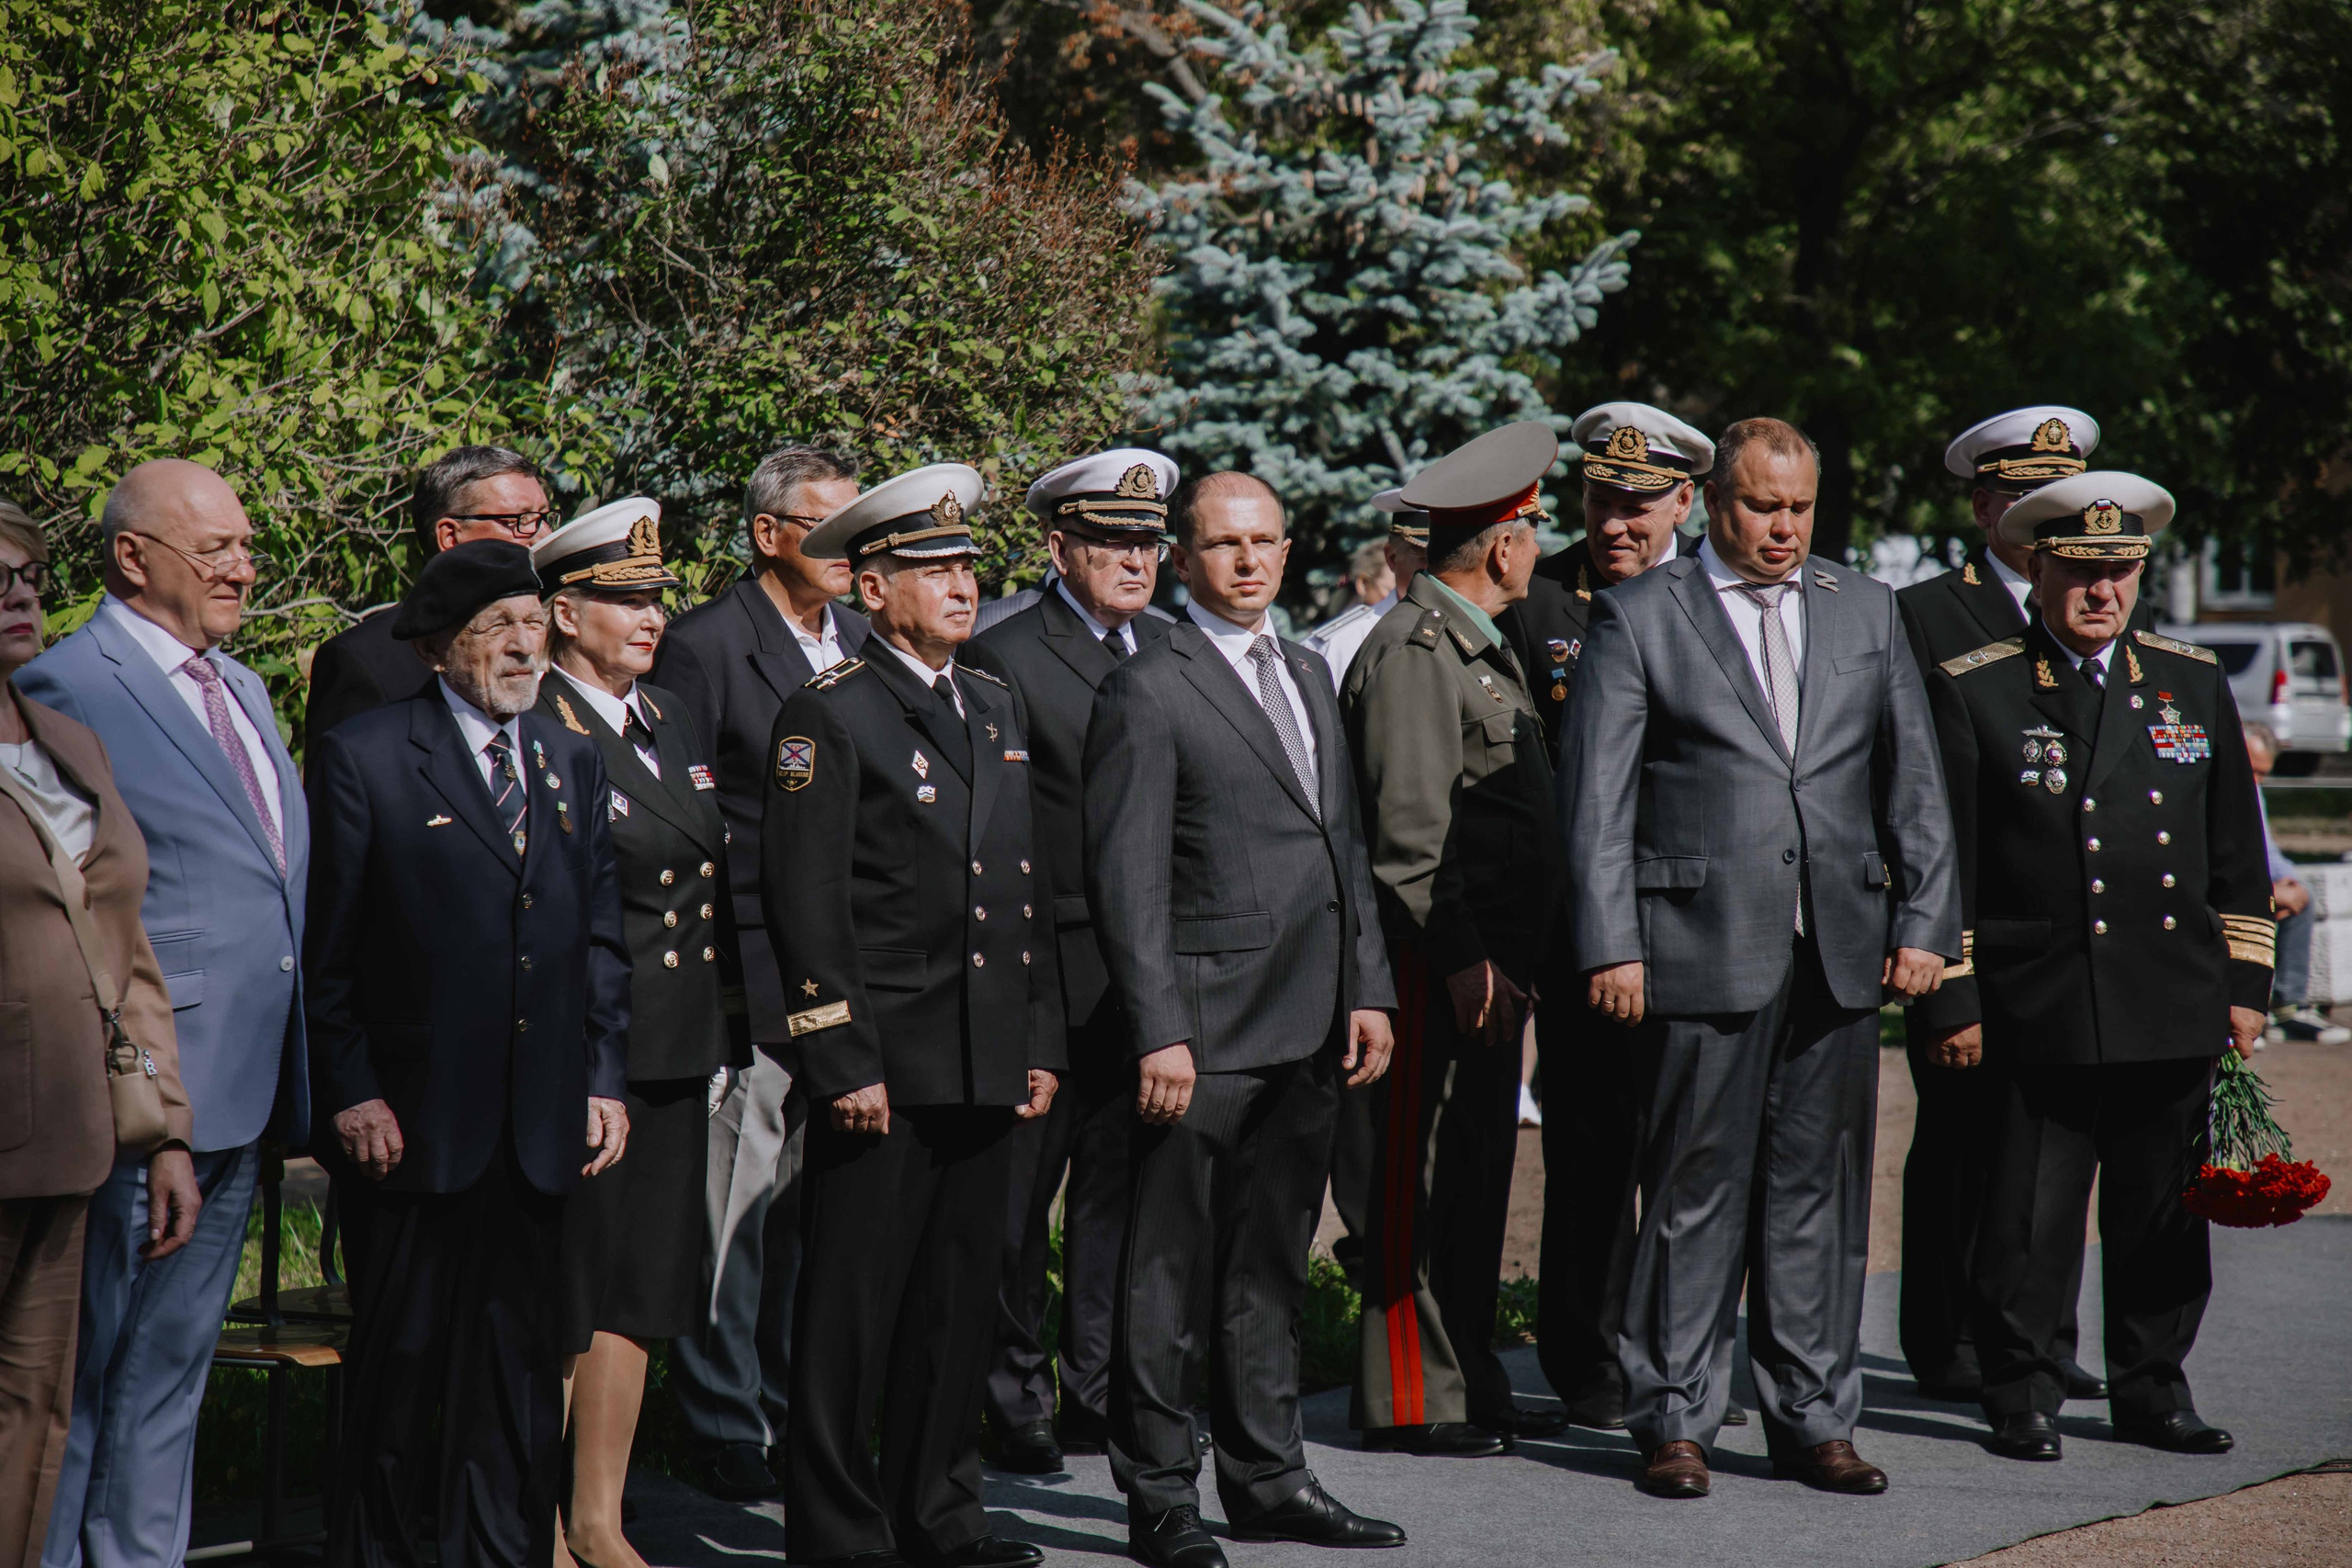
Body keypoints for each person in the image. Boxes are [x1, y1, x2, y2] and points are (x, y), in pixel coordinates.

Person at [1559, 417, 1960, 1501]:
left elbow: (1911, 782)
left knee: (1818, 1195)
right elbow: (1596, 800)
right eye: (1759, 507)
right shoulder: (1639, 615)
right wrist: (1610, 942)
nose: (1782, 529)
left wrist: (1926, 926)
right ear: (1712, 501)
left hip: (1838, 948)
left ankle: (1813, 1419)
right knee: (1691, 1190)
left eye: (1798, 509)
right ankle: (1675, 1419)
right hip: (1693, 945)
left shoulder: (1864, 610)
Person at [1911, 471, 2272, 1462]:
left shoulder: (2189, 680)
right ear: (2037, 568)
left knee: (2162, 1215)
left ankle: (2151, 1389)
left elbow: (2236, 851)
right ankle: (2019, 1390)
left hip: (2170, 997)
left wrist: (2244, 987)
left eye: (2117, 571)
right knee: (2028, 1218)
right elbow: (1945, 860)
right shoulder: (1978, 685)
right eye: (2078, 570)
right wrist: (1952, 996)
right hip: (2041, 1001)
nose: (2100, 591)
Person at [1086, 471, 1403, 1568]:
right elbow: (1126, 880)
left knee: (1268, 1265)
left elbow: (1341, 848)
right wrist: (1156, 1028)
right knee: (1165, 1278)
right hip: (1203, 1035)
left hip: (1313, 1022)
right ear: (1184, 560)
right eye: (1224, 545)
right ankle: (1161, 1497)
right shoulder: (1150, 684)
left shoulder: (1309, 670)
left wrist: (1369, 985)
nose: (1250, 561)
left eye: (1264, 540)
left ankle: (1268, 1478)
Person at [305, 541, 630, 1568]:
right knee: (405, 1373)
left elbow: (601, 941)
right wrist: (351, 1090)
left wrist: (603, 1077)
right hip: (414, 1127)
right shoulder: (365, 754)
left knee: (520, 1374)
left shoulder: (570, 757)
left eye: (534, 625)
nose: (524, 647)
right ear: (443, 647)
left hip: (539, 1128)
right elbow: (327, 952)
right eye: (497, 629)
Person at [764, 463, 1060, 1568]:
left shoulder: (989, 701)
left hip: (984, 1051)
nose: (960, 584)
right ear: (871, 588)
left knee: (955, 1306)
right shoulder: (829, 713)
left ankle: (939, 1513)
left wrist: (1034, 1041)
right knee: (852, 1310)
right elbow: (807, 901)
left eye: (966, 564)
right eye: (930, 568)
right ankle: (841, 1532)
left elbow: (1016, 887)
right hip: (885, 1059)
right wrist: (841, 1058)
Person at [17, 460, 311, 1568]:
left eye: (245, 544)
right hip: (141, 1089)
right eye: (216, 550)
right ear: (133, 559)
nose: (241, 566)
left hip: (248, 1079)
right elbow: (75, 912)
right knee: (86, 1372)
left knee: (172, 1370)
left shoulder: (241, 685)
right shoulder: (65, 687)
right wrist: (142, 1085)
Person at [529, 502, 751, 1567]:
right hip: (584, 1056)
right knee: (565, 1294)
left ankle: (599, 1518)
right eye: (621, 599)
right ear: (563, 612)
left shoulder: (666, 716)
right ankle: (534, 1525)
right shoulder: (537, 724)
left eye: (655, 597)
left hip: (674, 1050)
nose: (647, 616)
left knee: (638, 1294)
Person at [1340, 423, 1566, 1457]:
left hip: (1484, 965)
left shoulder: (1477, 649)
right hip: (1430, 962)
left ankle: (1464, 1372)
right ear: (1504, 546)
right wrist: (1467, 953)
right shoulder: (1417, 653)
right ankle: (1406, 1395)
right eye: (1532, 528)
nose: (1538, 546)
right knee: (1413, 1178)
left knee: (1470, 1177)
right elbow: (1409, 837)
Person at [650, 446, 869, 1500]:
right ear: (768, 533)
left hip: (849, 978)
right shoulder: (703, 647)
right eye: (826, 525)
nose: (849, 548)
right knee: (734, 1201)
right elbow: (692, 823)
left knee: (809, 1217)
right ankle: (722, 1416)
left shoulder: (863, 639)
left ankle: (791, 1407)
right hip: (749, 972)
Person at [962, 449, 1179, 1474]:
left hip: (1140, 974)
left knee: (1116, 1194)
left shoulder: (1173, 650)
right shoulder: (1005, 652)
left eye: (1147, 541)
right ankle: (1010, 1400)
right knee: (1016, 1202)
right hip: (1042, 963)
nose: (1135, 559)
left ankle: (1093, 1389)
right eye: (1111, 540)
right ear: (1060, 546)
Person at [1497, 400, 1712, 1431]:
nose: (1616, 523)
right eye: (1599, 502)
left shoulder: (1719, 601)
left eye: (1638, 505)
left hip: (1707, 927)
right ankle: (1584, 1360)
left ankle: (1682, 1356)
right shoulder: (1538, 604)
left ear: (1685, 501)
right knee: (1590, 1157)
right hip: (1583, 934)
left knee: (1694, 1154)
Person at [1895, 407, 2111, 1405]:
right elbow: (1906, 788)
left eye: (2054, 497)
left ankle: (2036, 1335)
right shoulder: (1927, 615)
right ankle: (1945, 1338)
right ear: (1984, 504)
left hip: (2067, 949)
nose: (2038, 514)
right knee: (1960, 1146)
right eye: (2022, 496)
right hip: (1967, 928)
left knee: (2057, 1160)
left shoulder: (2096, 601)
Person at [0, 504, 198, 1568]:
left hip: (76, 1137)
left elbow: (129, 950)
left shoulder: (67, 740)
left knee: (36, 1411)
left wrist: (165, 1126)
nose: (21, 596)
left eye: (29, 576)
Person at [304, 446, 556, 752]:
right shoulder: (366, 661)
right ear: (451, 536)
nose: (542, 535)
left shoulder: (555, 637)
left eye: (544, 518)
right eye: (521, 520)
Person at [2243, 721, 2346, 1044]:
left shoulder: (2253, 792)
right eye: (2252, 771)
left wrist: (2291, 882)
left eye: (2263, 774)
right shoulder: (2211, 787)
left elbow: (2268, 851)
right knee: (2251, 905)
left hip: (2253, 882)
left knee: (2303, 896)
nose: (2256, 781)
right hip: (2223, 887)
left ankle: (2288, 1007)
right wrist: (2267, 891)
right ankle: (2241, 1011)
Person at [1300, 491, 1428, 692]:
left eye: (1450, 558)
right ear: (1392, 558)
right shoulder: (1344, 643)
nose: (1440, 571)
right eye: (1424, 558)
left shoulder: (1476, 629)